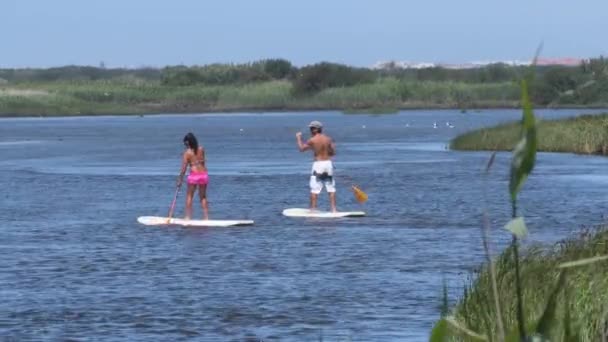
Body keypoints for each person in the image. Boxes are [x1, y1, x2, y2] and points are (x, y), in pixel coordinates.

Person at [295, 120, 337, 212]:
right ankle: (334, 209)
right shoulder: (328, 139)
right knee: (331, 188)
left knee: (314, 188)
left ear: (315, 129)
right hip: (328, 164)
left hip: (318, 165)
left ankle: (313, 209)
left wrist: (298, 138)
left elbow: (301, 149)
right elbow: (333, 152)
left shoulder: (312, 140)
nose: (310, 130)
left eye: (311, 128)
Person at [177, 132, 209, 220]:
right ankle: (206, 218)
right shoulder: (201, 149)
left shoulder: (187, 153)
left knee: (189, 196)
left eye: (185, 143)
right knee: (203, 196)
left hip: (194, 176)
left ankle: (188, 217)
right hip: (203, 175)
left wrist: (180, 180)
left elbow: (183, 169)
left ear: (188, 142)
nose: (185, 145)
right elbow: (203, 163)